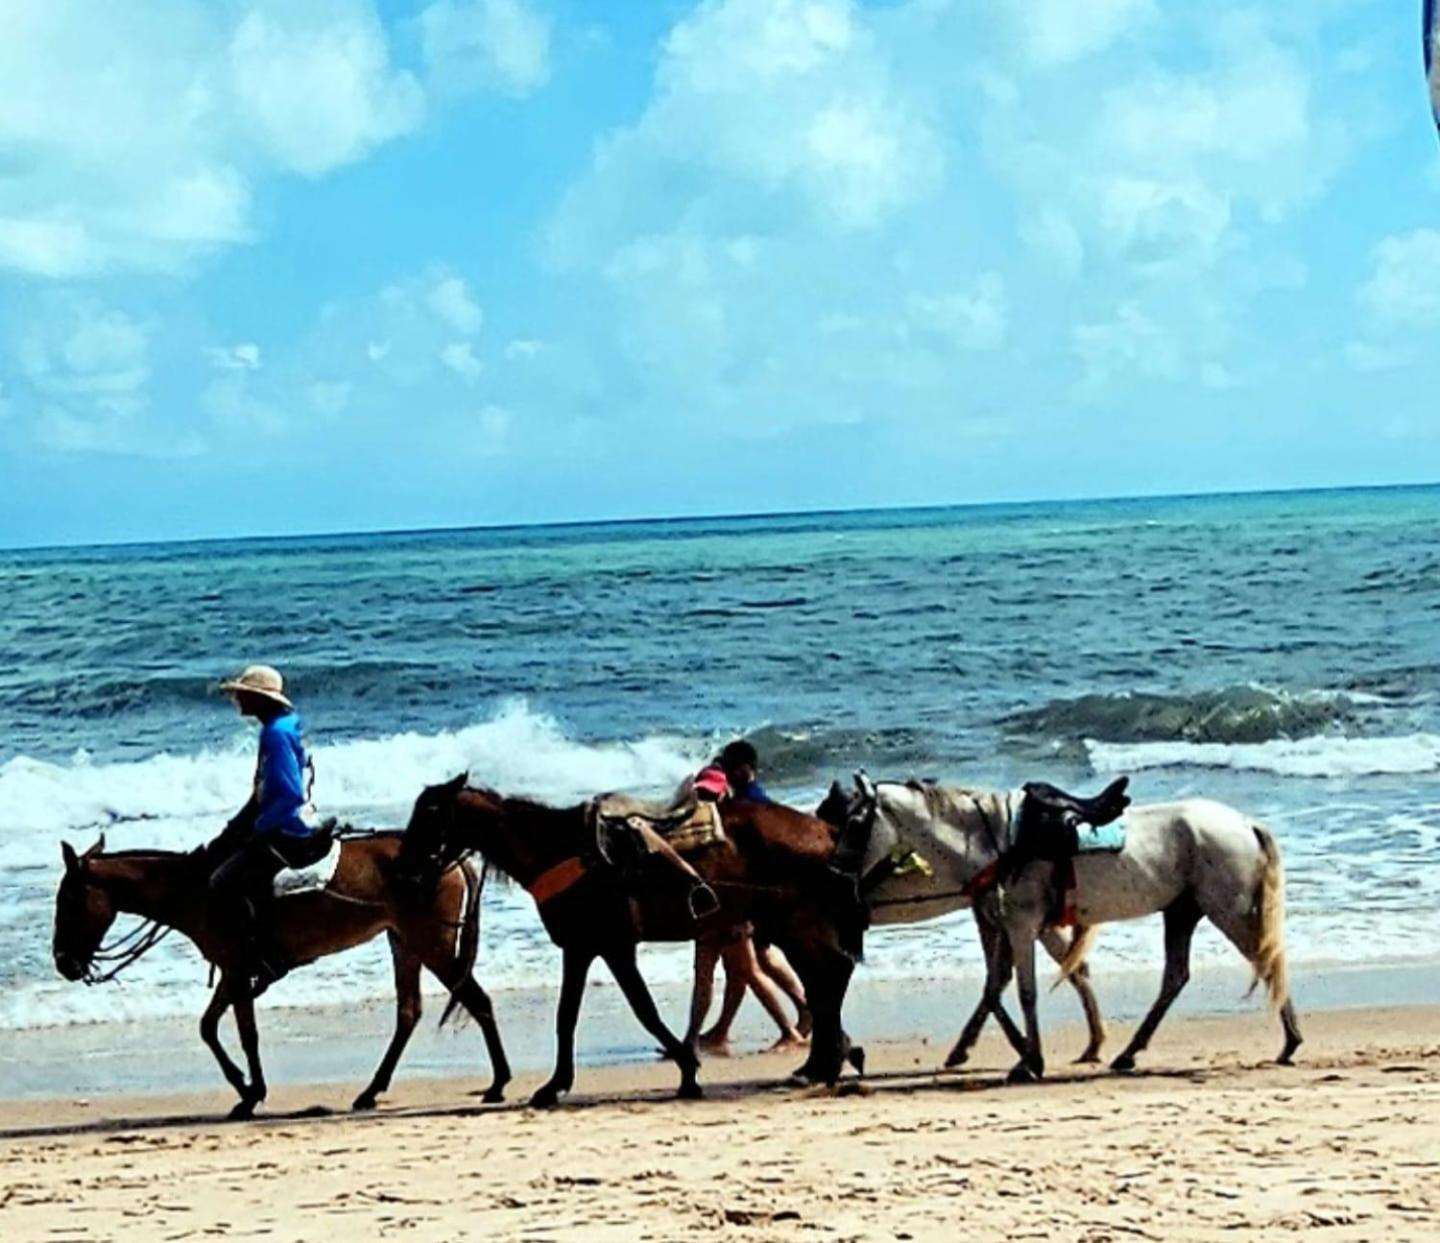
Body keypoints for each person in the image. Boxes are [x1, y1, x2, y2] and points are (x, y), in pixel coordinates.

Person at [687, 740, 812, 1052]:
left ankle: (800, 1016)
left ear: (745, 769)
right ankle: (721, 1032)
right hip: (751, 899)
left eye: (732, 769)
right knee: (745, 969)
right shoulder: (742, 802)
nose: (729, 775)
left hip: (752, 900)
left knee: (754, 966)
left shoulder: (752, 806)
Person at [208, 664, 325, 996]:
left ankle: (270, 958)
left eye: (243, 694)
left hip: (288, 827)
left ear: (260, 699)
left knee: (225, 882)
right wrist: (236, 827)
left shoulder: (275, 734)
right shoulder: (284, 726)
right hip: (287, 818)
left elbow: (288, 794)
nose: (238, 700)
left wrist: (258, 828)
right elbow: (265, 791)